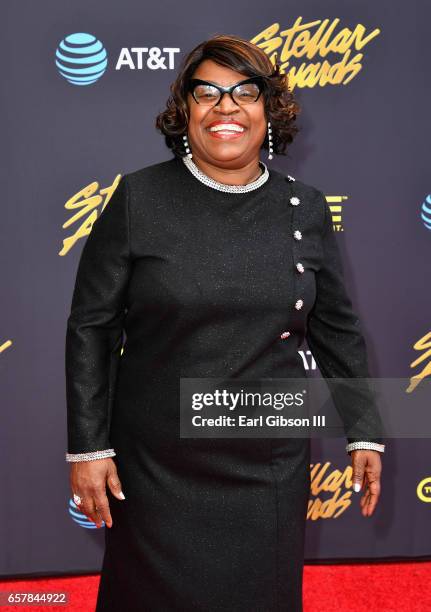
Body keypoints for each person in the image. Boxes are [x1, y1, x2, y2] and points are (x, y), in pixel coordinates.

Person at [65, 34, 385, 612]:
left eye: (244, 92)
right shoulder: (138, 199)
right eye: (207, 92)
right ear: (185, 109)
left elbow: (336, 326)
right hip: (158, 461)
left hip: (267, 458)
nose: (226, 106)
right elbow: (92, 327)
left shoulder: (305, 206)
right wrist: (88, 450)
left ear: (270, 110)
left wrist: (364, 430)